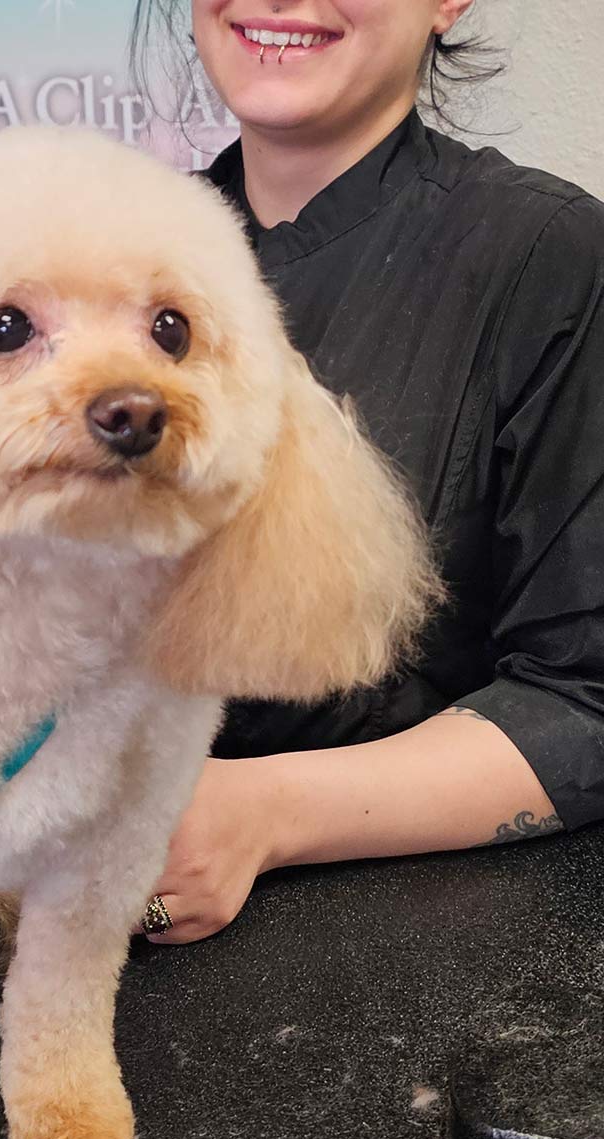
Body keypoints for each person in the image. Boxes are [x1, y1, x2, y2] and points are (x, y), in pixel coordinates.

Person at [131, 1, 604, 944]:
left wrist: (257, 814)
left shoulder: (550, 260)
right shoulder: (119, 257)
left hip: (410, 956)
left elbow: (586, 698)